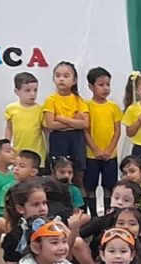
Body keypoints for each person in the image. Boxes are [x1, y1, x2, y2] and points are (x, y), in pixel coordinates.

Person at [72, 180, 141, 264]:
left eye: (126, 200)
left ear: (135, 205)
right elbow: (81, 234)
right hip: (100, 260)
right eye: (116, 198)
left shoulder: (140, 218)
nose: (119, 202)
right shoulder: (104, 220)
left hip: (129, 261)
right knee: (76, 241)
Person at [43, 61, 89, 192]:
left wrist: (61, 118)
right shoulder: (50, 100)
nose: (61, 79)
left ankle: (80, 203)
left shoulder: (79, 100)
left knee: (78, 176)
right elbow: (51, 124)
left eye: (66, 76)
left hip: (76, 139)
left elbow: (85, 124)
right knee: (59, 174)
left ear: (74, 80)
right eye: (57, 75)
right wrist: (74, 122)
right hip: (58, 139)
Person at [84, 67, 122, 217]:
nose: (105, 88)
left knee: (109, 187)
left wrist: (109, 150)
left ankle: (108, 215)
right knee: (90, 187)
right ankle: (93, 216)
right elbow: (85, 130)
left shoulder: (114, 107)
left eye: (108, 84)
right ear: (91, 86)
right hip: (91, 155)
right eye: (101, 85)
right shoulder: (86, 106)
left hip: (110, 155)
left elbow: (117, 131)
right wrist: (95, 149)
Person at [1, 178, 49, 264]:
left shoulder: (51, 228)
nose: (43, 208)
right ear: (20, 208)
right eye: (36, 204)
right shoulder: (15, 236)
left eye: (44, 203)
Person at [4, 72, 47, 174]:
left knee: (36, 178)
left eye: (35, 90)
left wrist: (49, 149)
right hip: (19, 151)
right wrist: (7, 144)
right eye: (27, 90)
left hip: (37, 153)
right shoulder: (11, 108)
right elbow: (9, 128)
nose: (32, 94)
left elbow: (46, 131)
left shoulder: (40, 109)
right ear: (17, 91)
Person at [119, 155, 141, 224]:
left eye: (132, 171)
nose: (128, 175)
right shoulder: (127, 187)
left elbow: (132, 203)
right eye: (125, 173)